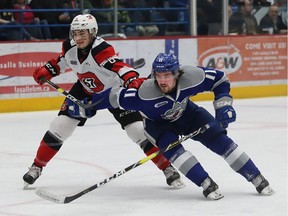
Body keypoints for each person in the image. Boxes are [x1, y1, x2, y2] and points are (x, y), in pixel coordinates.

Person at [71, 53, 275, 200]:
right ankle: (205, 182)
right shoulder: (144, 93)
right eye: (158, 75)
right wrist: (90, 106)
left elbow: (220, 80)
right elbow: (113, 96)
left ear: (177, 73)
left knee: (221, 141)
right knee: (174, 150)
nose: (162, 80)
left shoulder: (192, 77)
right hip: (158, 125)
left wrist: (223, 106)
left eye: (167, 75)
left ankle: (256, 177)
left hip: (188, 114)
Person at [23, 14, 184, 190]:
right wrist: (48, 70)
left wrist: (131, 81)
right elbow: (62, 61)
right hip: (84, 90)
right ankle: (36, 167)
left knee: (137, 131)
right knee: (60, 126)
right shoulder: (69, 46)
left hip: (114, 93)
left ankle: (167, 167)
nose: (78, 38)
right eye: (75, 33)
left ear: (92, 32)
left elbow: (121, 68)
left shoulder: (101, 50)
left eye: (82, 34)